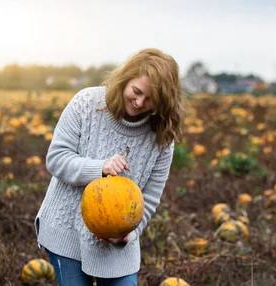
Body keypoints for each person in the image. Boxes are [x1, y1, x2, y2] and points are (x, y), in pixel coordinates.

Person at [34, 48, 185, 285]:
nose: (139, 102)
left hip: (117, 238)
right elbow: (57, 159)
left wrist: (129, 233)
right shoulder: (86, 103)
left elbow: (150, 198)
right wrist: (100, 168)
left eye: (150, 100)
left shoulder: (162, 138)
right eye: (136, 92)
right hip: (66, 228)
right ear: (126, 78)